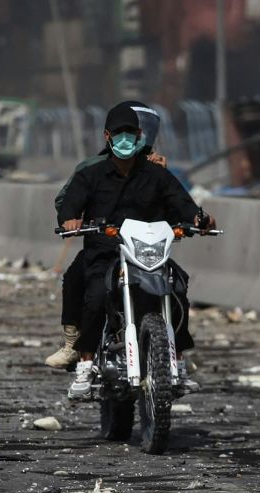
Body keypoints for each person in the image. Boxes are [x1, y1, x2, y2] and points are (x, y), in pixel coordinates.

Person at [56, 102, 215, 399]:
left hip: (148, 252)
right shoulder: (91, 173)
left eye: (130, 132)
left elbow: (183, 203)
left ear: (140, 134)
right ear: (107, 136)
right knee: (96, 295)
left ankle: (177, 363)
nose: (125, 139)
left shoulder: (157, 174)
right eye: (119, 133)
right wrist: (70, 219)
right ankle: (86, 366)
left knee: (177, 289)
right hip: (106, 253)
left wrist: (198, 219)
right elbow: (69, 204)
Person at [45, 101, 166, 369]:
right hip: (104, 244)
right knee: (76, 278)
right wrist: (74, 218)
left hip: (142, 246)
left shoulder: (155, 168)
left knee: (174, 284)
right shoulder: (94, 167)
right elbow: (65, 200)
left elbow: (173, 203)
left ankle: (173, 351)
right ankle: (72, 343)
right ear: (109, 135)